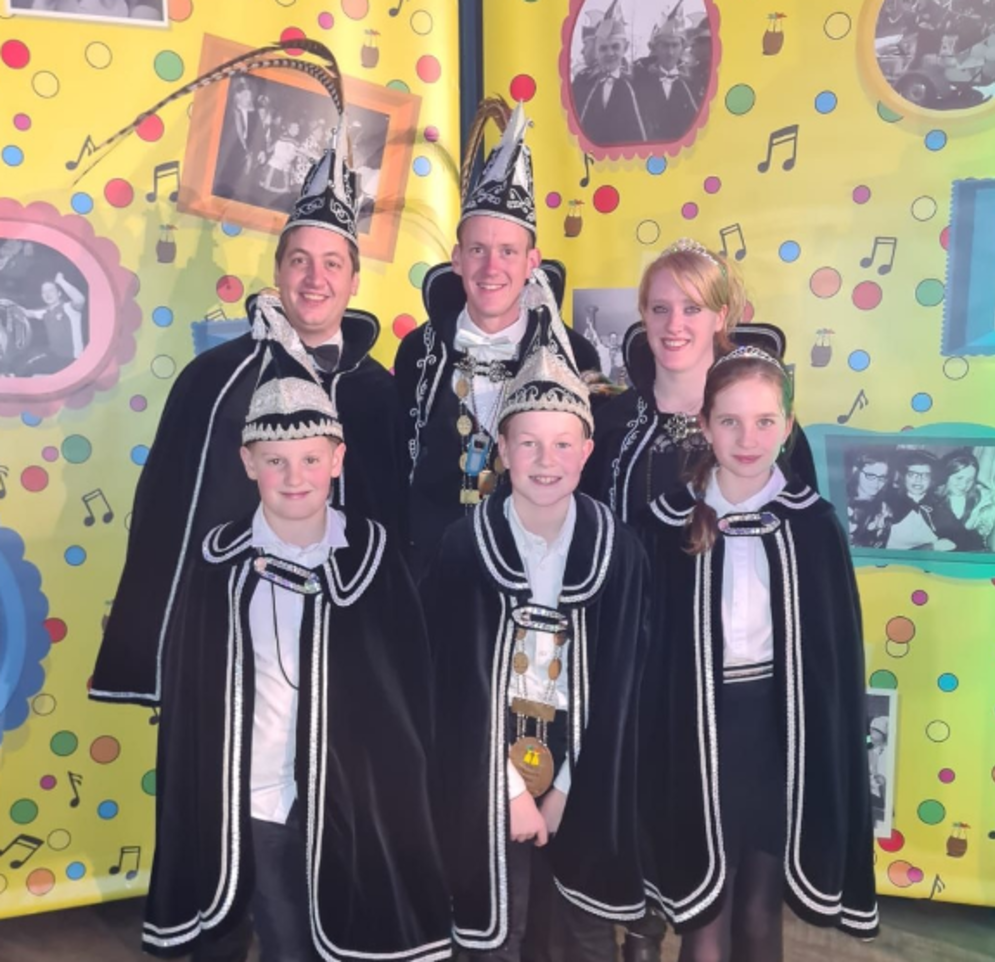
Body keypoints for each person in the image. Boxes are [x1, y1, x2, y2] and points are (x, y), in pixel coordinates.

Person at [91, 346, 451, 961]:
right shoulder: (218, 561)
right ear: (247, 463)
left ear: (337, 460)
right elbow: (193, 694)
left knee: (335, 941)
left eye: (310, 459)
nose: (293, 477)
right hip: (250, 797)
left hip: (349, 804)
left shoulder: (373, 559)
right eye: (275, 460)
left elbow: (404, 695)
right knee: (267, 940)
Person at [93, 43, 408, 710]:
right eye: (300, 260)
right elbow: (166, 520)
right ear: (279, 269)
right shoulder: (212, 383)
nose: (315, 279)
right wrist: (157, 652)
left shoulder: (382, 395)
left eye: (332, 263)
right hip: (231, 658)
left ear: (354, 279)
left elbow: (396, 534)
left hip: (345, 665)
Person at [637, 345, 879, 962]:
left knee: (758, 912)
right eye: (730, 421)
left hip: (779, 736)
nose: (748, 439)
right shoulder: (665, 524)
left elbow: (832, 662)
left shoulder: (813, 525)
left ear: (788, 426)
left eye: (765, 421)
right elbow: (648, 656)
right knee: (704, 917)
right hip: (693, 734)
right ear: (704, 425)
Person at [423, 318, 648, 961]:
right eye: (528, 444)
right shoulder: (464, 548)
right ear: (502, 448)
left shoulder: (619, 554)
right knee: (495, 930)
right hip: (485, 777)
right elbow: (448, 684)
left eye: (562, 444)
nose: (546, 461)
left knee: (578, 937)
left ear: (586, 451)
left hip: (584, 779)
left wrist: (567, 789)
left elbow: (624, 685)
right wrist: (510, 789)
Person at [395, 96, 598, 579]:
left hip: (539, 575)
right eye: (478, 250)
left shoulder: (574, 355)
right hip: (435, 580)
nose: (491, 268)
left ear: (532, 262)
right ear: (457, 258)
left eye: (508, 251)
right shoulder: (419, 353)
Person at [583, 238, 817, 526]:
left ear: (720, 317)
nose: (674, 325)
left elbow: (808, 534)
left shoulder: (768, 425)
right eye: (660, 308)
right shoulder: (609, 426)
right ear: (644, 315)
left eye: (692, 308)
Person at [571, 0, 647, 145]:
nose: (609, 53)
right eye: (603, 48)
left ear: (625, 48)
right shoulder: (582, 83)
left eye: (615, 47)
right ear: (596, 51)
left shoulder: (637, 82)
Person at [633, 10, 700, 143]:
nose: (670, 52)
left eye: (675, 45)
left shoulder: (691, 82)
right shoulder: (639, 81)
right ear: (656, 48)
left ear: (682, 48)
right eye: (665, 45)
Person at [885, 450, 954, 551]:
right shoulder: (888, 502)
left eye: (925, 475)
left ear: (932, 480)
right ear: (904, 477)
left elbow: (961, 539)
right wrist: (931, 547)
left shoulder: (939, 507)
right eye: (912, 474)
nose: (918, 479)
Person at [932, 450, 995, 551]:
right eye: (959, 478)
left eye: (969, 480)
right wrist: (974, 516)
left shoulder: (979, 498)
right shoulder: (932, 501)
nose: (964, 485)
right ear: (945, 475)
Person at [846, 451, 893, 548]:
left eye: (882, 477)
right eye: (870, 475)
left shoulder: (884, 511)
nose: (876, 482)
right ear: (856, 471)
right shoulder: (839, 499)